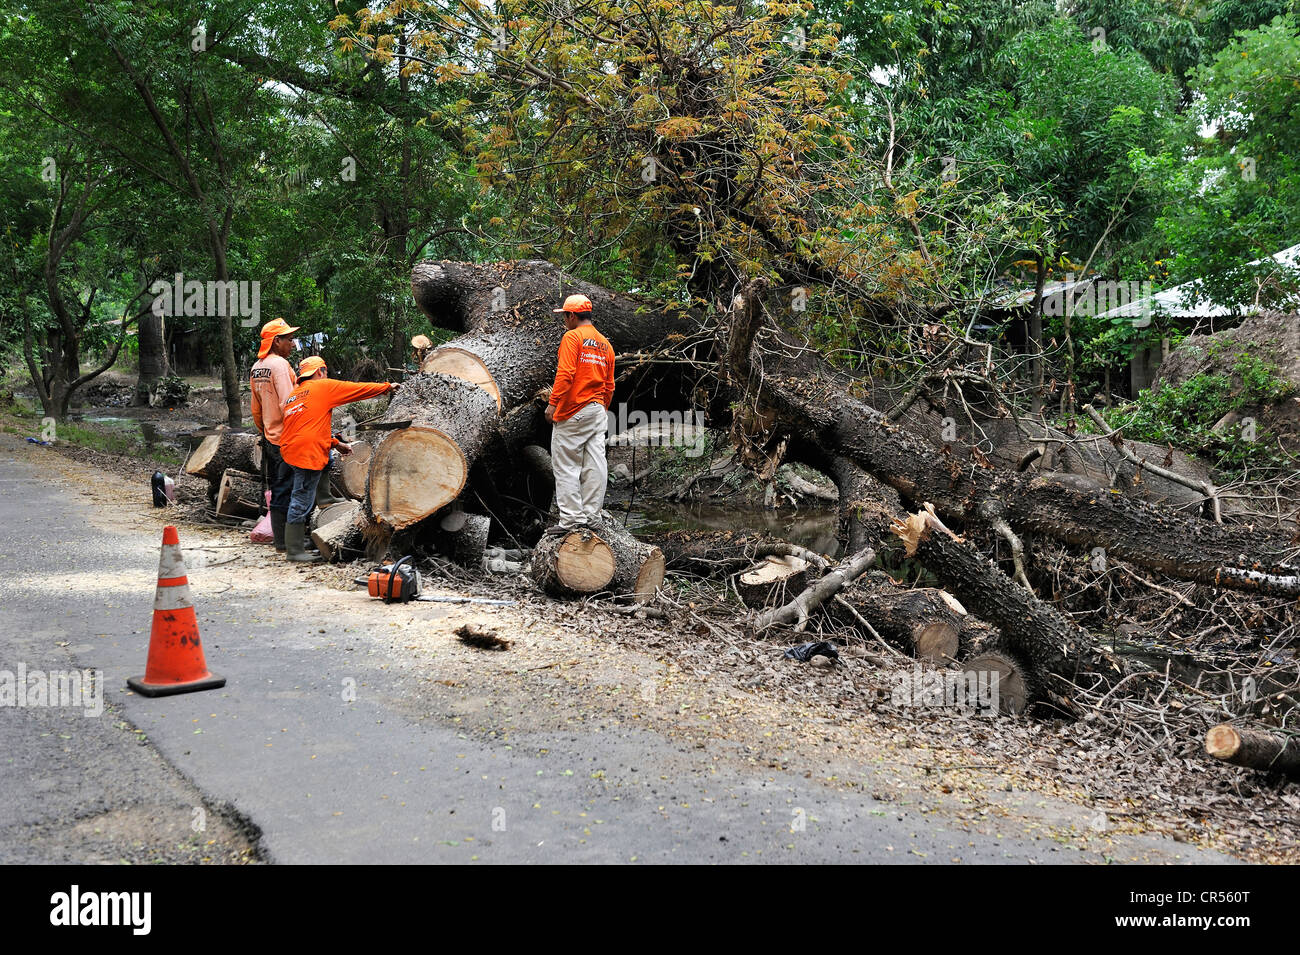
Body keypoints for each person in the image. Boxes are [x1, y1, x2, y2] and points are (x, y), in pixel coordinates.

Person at [278, 357, 398, 562]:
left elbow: (311, 426)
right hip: (306, 452)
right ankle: (294, 550)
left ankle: (324, 498)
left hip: (291, 448)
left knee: (328, 461)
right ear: (320, 371)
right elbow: (355, 389)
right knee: (301, 499)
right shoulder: (322, 386)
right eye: (325, 372)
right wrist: (386, 387)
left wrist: (335, 443)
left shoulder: (295, 395)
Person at [543, 293, 616, 534]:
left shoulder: (572, 337)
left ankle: (572, 519)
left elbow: (565, 374)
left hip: (573, 409)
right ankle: (592, 517)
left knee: (566, 466)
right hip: (597, 409)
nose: (564, 321)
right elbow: (609, 385)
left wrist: (553, 404)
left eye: (565, 316)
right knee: (595, 463)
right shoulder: (605, 344)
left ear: (572, 316)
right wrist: (601, 409)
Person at [249, 318, 300, 552]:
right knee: (288, 489)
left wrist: (264, 431)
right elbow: (289, 403)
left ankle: (284, 539)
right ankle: (285, 542)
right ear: (276, 341)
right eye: (288, 339)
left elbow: (256, 409)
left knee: (279, 487)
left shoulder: (256, 367)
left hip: (271, 437)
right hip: (287, 438)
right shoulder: (279, 365)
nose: (292, 343)